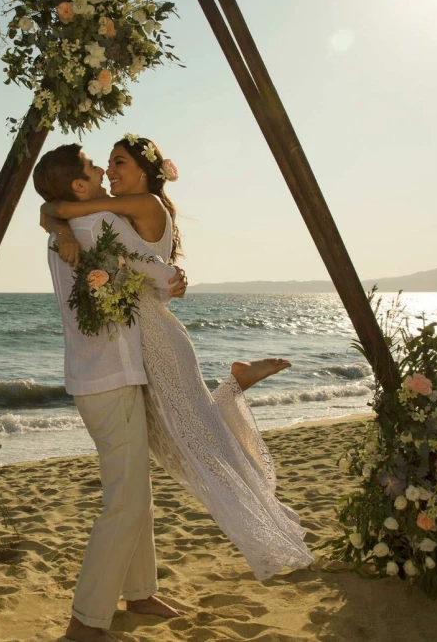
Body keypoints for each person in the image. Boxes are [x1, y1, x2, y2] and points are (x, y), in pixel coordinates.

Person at [40, 135, 315, 587]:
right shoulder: (114, 210)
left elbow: (80, 219)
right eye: (104, 164)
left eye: (118, 162)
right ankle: (233, 388)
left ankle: (234, 390)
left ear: (147, 172)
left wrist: (56, 216)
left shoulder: (137, 204)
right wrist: (58, 220)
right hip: (139, 342)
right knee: (186, 438)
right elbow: (73, 216)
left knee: (198, 439)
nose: (109, 172)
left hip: (153, 339)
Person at [33, 143, 186, 642]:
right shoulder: (96, 222)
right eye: (94, 166)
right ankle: (87, 619)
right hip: (111, 375)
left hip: (99, 375)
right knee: (125, 499)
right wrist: (172, 277)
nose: (102, 168)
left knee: (133, 488)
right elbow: (146, 267)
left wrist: (53, 217)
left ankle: (140, 592)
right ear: (80, 186)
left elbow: (54, 214)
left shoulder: (69, 226)